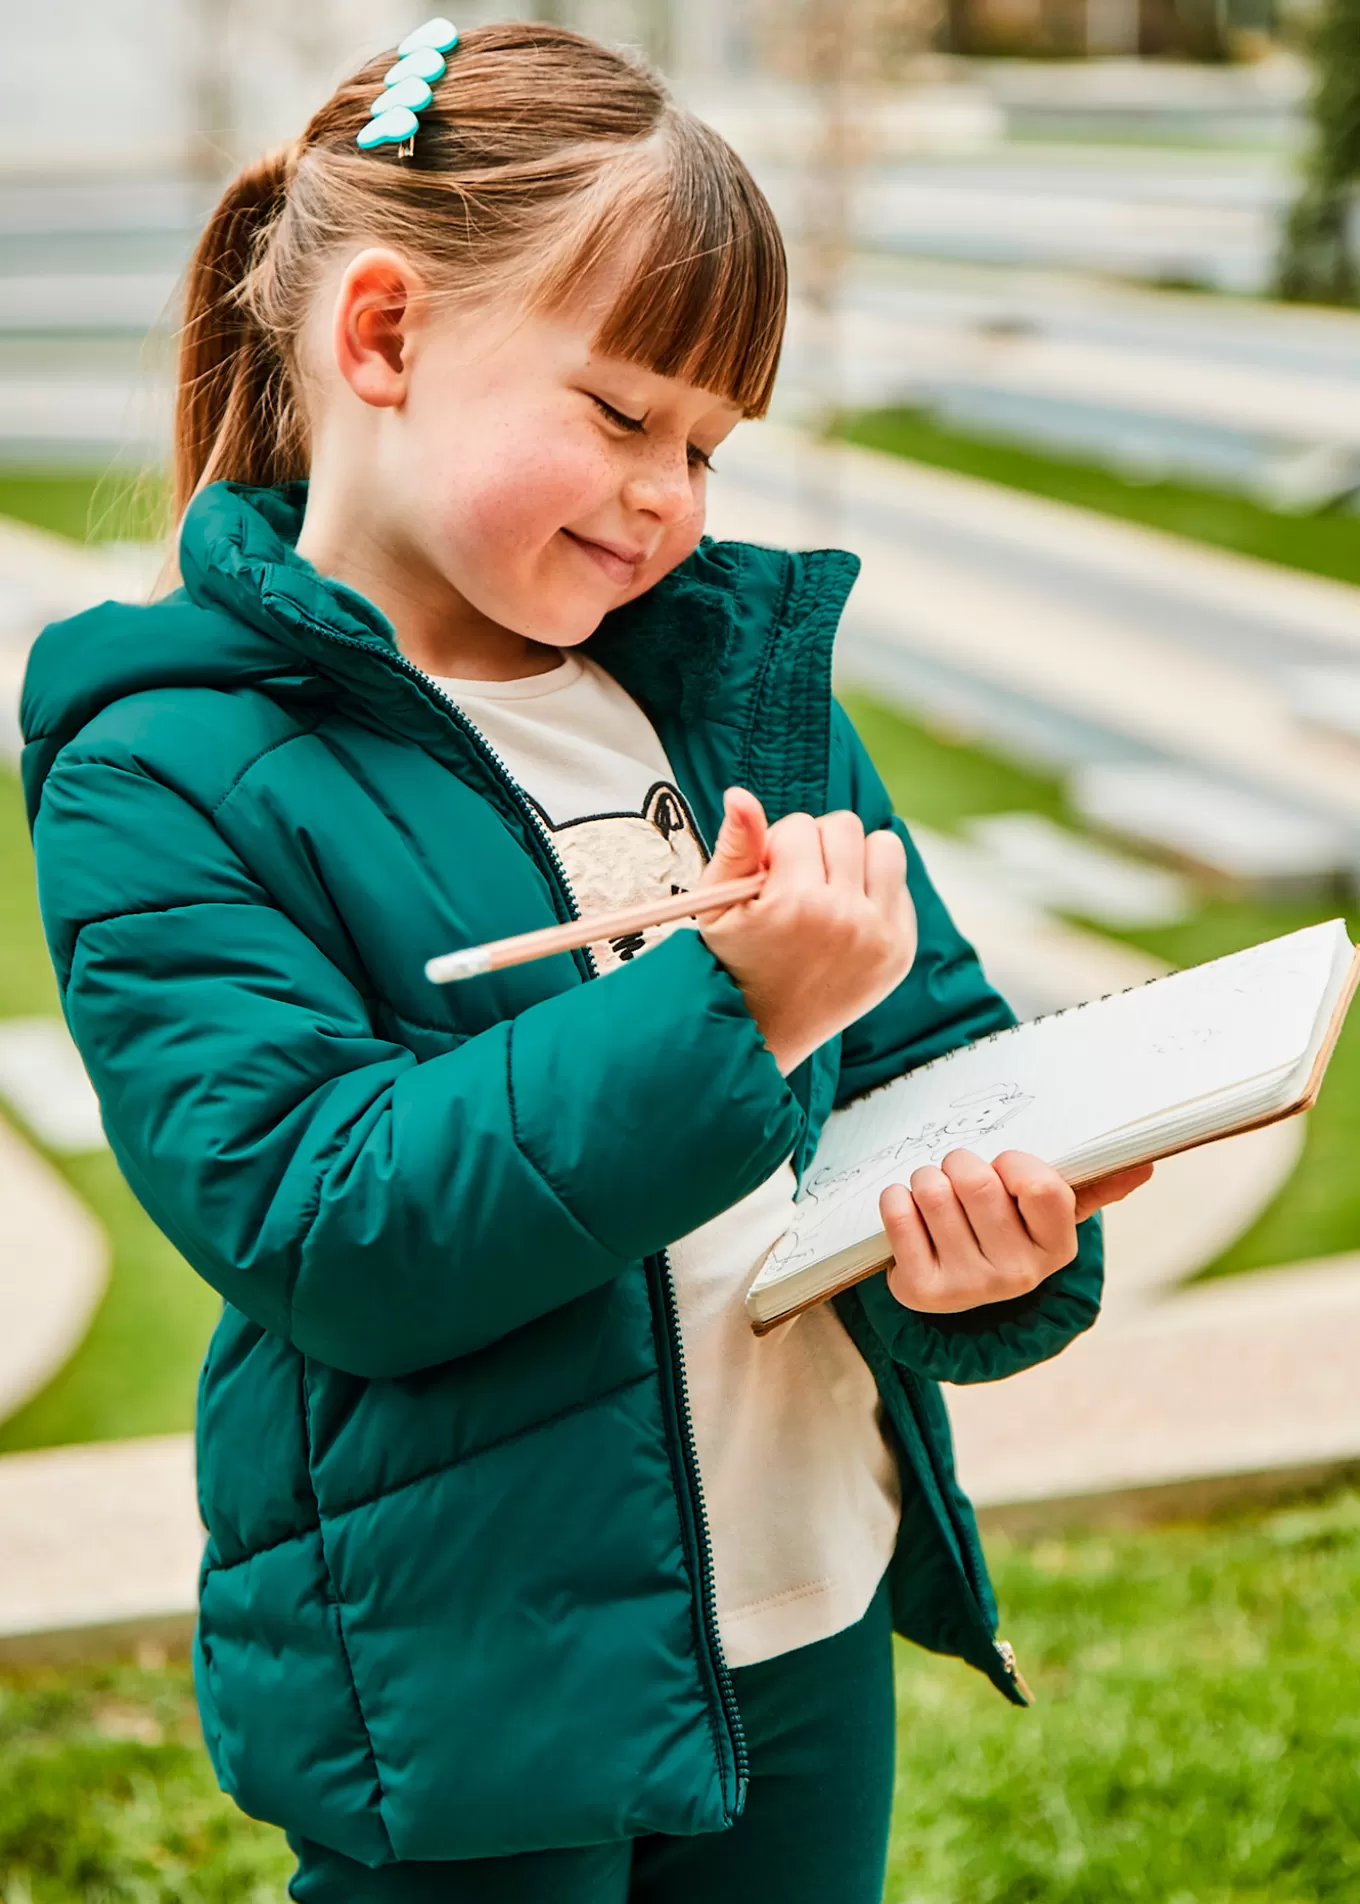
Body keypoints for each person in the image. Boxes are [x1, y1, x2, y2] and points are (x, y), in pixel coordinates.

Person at [19, 22, 1151, 1902]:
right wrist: (730, 1009)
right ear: (380, 338)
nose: (672, 498)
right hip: (469, 1694)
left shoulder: (730, 694)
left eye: (708, 444)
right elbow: (325, 1222)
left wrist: (1001, 1250)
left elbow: (929, 1065)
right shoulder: (163, 769)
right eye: (625, 415)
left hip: (812, 1606)